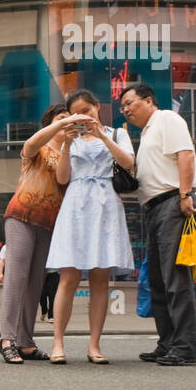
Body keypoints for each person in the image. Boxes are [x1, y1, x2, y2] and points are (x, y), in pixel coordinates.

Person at [45, 89, 136, 364]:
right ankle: (57, 343)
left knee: (100, 279)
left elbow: (129, 163)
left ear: (97, 107)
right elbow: (62, 178)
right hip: (75, 205)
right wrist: (67, 144)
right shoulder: (69, 138)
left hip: (106, 205)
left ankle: (94, 345)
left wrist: (103, 137)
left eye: (87, 110)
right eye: (77, 113)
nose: (83, 116)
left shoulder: (117, 133)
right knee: (68, 277)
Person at [121, 83, 196, 366]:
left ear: (149, 100)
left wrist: (185, 195)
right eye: (122, 106)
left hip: (173, 203)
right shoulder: (146, 133)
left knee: (176, 278)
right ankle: (167, 342)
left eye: (129, 102)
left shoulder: (167, 118)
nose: (125, 109)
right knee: (157, 280)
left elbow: (185, 154)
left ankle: (186, 347)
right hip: (154, 209)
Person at [0, 103, 77, 364]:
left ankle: (25, 342)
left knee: (35, 283)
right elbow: (29, 145)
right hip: (21, 216)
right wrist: (61, 124)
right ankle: (7, 340)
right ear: (50, 123)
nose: (67, 122)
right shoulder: (39, 147)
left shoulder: (70, 153)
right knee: (16, 278)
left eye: (70, 119)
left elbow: (64, 181)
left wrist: (68, 143)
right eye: (61, 118)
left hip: (49, 223)